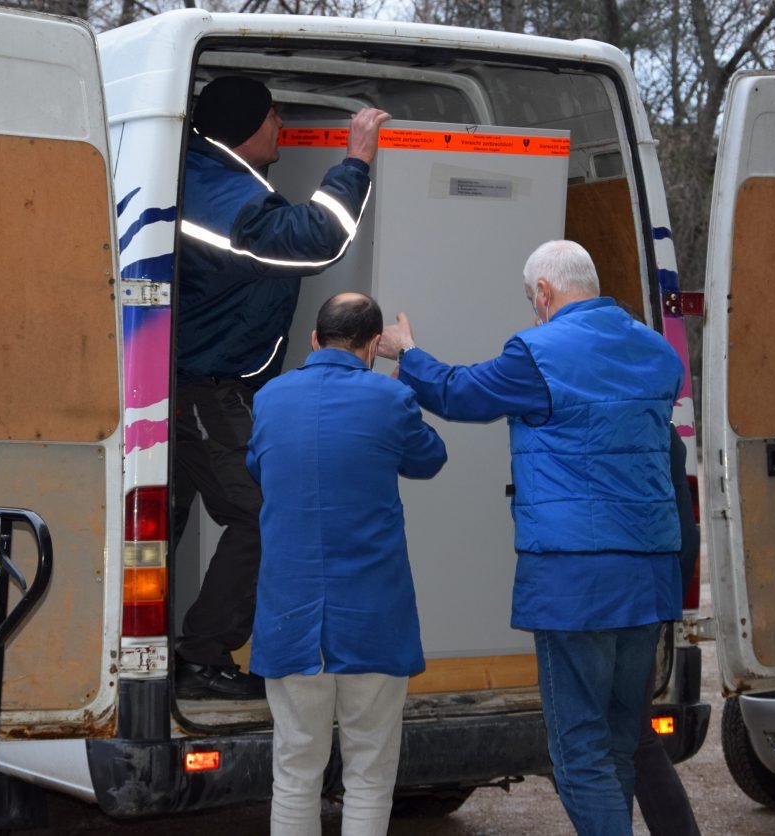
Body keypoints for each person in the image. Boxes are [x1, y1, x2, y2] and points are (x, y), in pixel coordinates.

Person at [377, 240, 685, 836]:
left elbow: (459, 393)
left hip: (575, 578)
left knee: (578, 750)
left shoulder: (539, 352)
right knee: (619, 742)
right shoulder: (657, 350)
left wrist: (408, 352)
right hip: (649, 575)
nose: (531, 310)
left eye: (529, 299)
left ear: (544, 292)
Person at [172, 75, 391, 699]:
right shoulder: (222, 195)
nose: (282, 127)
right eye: (273, 116)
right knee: (267, 514)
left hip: (195, 384)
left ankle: (150, 654)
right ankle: (202, 656)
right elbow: (317, 238)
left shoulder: (211, 176)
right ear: (247, 126)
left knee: (164, 524)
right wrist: (357, 159)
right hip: (206, 388)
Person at [246, 292, 447, 836]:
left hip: (290, 618)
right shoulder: (391, 398)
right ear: (374, 346)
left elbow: (258, 466)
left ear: (315, 340)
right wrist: (407, 371)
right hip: (373, 619)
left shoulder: (269, 398)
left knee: (295, 772)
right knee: (370, 775)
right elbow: (430, 458)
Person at [633, 425, 702, 835]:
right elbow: (686, 536)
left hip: (612, 605)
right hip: (650, 601)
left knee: (607, 747)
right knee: (636, 740)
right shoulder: (663, 428)